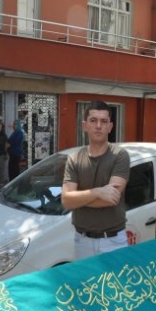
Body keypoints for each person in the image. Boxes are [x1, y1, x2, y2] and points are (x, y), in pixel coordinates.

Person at [61, 100, 130, 260]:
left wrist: (78, 199)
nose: (98, 126)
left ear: (110, 127)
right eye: (93, 120)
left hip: (113, 241)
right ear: (85, 125)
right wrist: (97, 192)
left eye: (103, 121)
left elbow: (111, 198)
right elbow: (66, 201)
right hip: (82, 241)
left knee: (116, 278)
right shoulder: (74, 159)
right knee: (85, 279)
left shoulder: (120, 156)